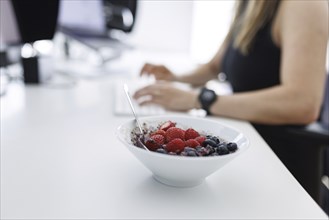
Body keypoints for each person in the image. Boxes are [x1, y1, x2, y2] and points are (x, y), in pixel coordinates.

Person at [133, 0, 328, 203]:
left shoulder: (305, 4)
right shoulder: (249, 4)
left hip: (277, 166)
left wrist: (200, 100)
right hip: (241, 146)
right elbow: (214, 66)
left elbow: (303, 103)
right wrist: (175, 78)